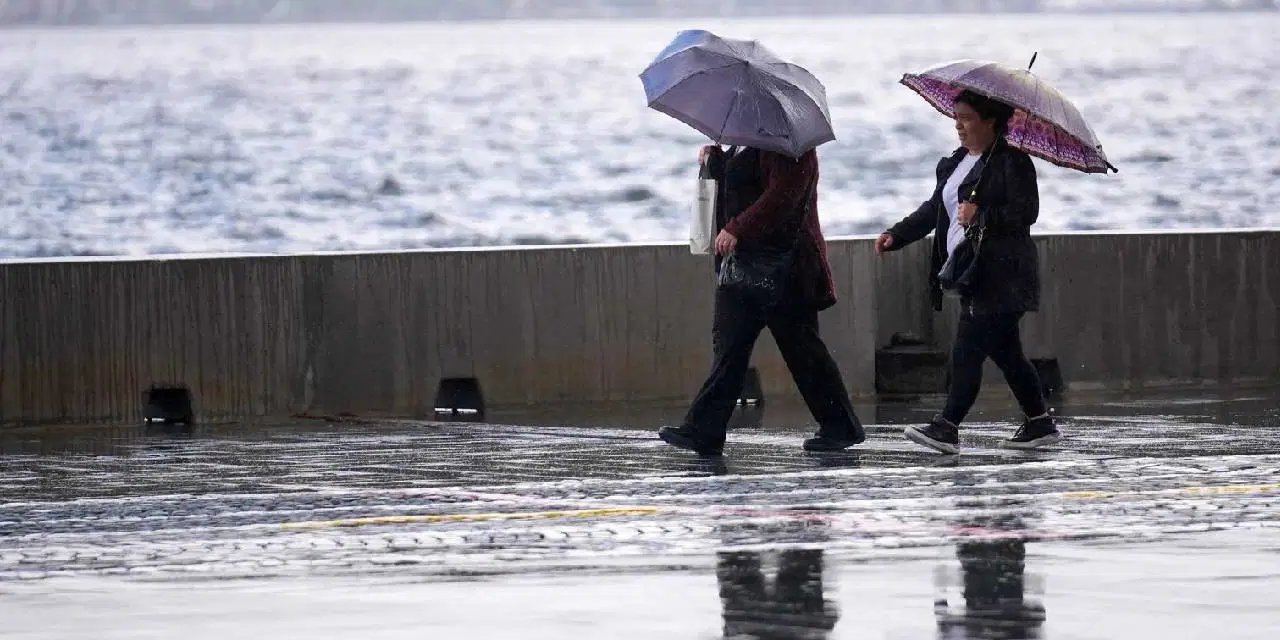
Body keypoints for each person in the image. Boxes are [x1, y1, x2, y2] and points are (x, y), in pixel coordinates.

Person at [876, 90, 1062, 454]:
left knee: (967, 350)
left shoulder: (1012, 162)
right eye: (956, 117)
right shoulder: (956, 162)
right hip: (970, 273)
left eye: (966, 118)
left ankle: (947, 426)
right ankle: (1039, 423)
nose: (958, 125)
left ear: (990, 120)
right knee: (1008, 353)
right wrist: (896, 234)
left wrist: (982, 215)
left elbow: (1026, 213)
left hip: (1004, 275)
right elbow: (935, 210)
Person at [658, 145, 865, 456]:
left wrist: (738, 228)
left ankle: (841, 425)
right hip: (743, 267)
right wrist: (716, 160)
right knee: (730, 347)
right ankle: (705, 429)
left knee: (804, 352)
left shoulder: (791, 148)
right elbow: (740, 190)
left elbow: (782, 197)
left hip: (785, 269)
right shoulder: (745, 143)